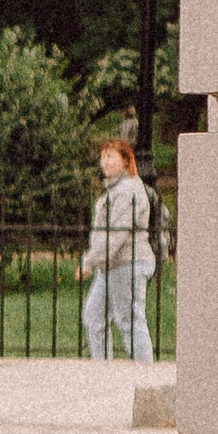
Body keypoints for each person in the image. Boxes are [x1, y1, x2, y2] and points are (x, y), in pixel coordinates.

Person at [79, 135, 158, 360]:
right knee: (94, 317)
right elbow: (104, 236)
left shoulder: (129, 190)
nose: (105, 162)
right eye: (103, 157)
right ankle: (103, 370)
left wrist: (89, 262)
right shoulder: (113, 190)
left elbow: (116, 235)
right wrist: (93, 260)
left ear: (125, 161)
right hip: (109, 266)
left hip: (128, 263)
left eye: (111, 157)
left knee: (130, 320)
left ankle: (146, 375)